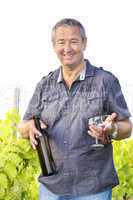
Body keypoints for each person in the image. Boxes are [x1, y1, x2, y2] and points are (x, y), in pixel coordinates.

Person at [18, 18, 132, 200]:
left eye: (74, 41)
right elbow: (24, 125)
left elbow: (127, 126)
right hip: (52, 187)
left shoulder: (105, 81)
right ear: (54, 46)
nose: (67, 48)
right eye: (61, 42)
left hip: (93, 187)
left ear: (84, 43)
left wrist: (113, 130)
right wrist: (28, 128)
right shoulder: (44, 85)